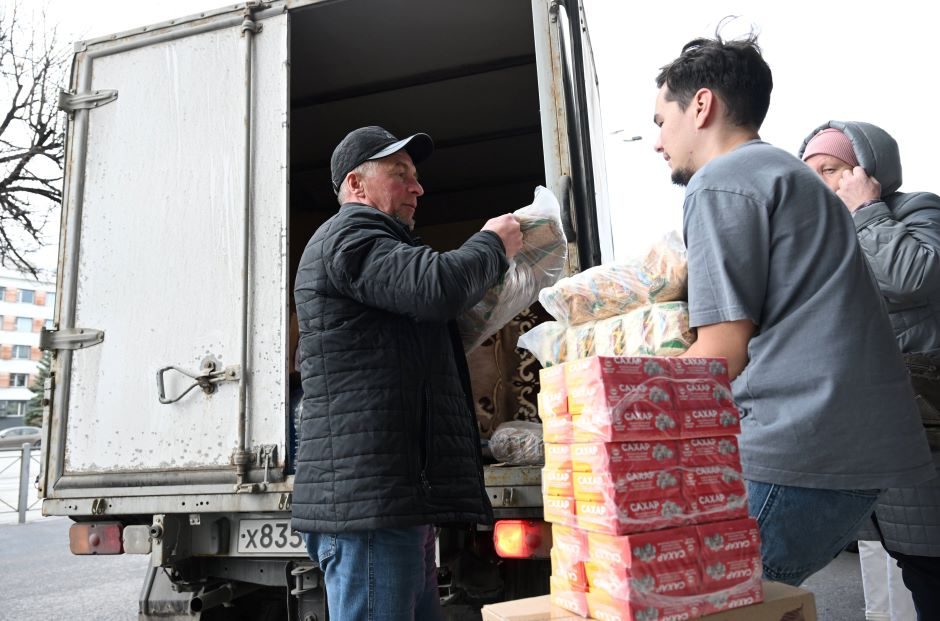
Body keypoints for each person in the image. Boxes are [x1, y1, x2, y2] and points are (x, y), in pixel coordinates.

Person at [652, 34, 935, 587]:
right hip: (850, 449)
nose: (656, 141)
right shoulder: (787, 173)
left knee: (716, 596)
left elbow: (722, 352)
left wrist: (610, 404)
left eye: (661, 121)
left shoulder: (721, 182)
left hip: (799, 446)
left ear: (702, 106)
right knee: (764, 600)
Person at [291, 125, 522, 621]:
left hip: (394, 502)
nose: (418, 188)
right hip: (372, 507)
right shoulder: (351, 234)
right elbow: (435, 286)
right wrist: (492, 243)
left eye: (416, 176)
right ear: (356, 186)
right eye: (401, 175)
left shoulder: (373, 244)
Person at [800, 121, 940, 620]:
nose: (821, 183)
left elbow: (911, 277)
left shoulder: (916, 209)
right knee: (909, 567)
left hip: (924, 421)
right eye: (810, 173)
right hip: (878, 430)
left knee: (929, 570)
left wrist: (866, 209)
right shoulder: (825, 236)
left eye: (832, 169)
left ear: (866, 170)